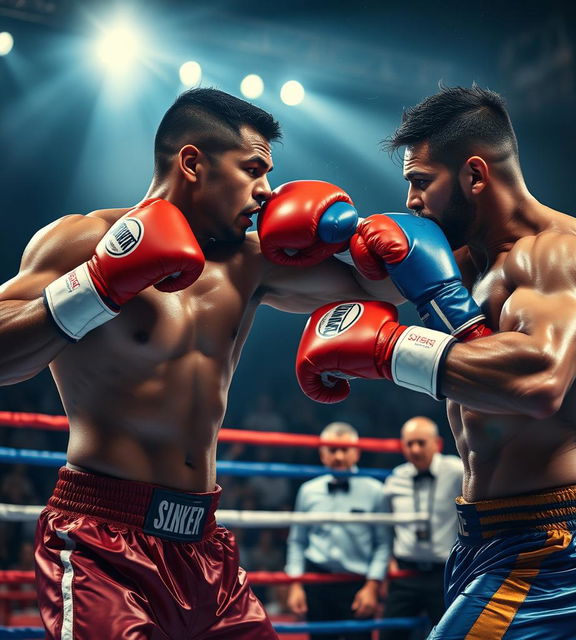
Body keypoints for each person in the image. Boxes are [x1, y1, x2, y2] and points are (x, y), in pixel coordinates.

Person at [0, 87, 398, 639]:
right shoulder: (85, 240)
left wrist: (348, 233)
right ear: (192, 162)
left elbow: (386, 288)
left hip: (204, 545)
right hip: (102, 541)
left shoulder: (251, 263)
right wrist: (95, 286)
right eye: (253, 169)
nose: (267, 191)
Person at [294, 86, 576, 638]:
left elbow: (541, 379)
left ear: (475, 175)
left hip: (547, 543)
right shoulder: (469, 260)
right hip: (479, 535)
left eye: (421, 181)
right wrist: (279, 246)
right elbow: (337, 290)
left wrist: (392, 349)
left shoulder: (560, 256)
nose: (411, 199)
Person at [285, 421, 392, 640]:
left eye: (345, 450)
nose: (339, 457)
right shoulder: (308, 491)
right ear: (322, 454)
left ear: (357, 453)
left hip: (358, 584)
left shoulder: (375, 491)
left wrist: (372, 586)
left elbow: (383, 543)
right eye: (333, 450)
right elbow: (297, 541)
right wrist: (295, 584)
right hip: (317, 581)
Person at [380, 416, 462, 639]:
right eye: (409, 443)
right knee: (389, 634)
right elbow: (387, 526)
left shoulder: (456, 471)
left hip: (444, 574)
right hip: (405, 574)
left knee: (451, 635)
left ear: (437, 443)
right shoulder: (395, 480)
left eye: (421, 442)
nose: (415, 449)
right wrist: (388, 560)